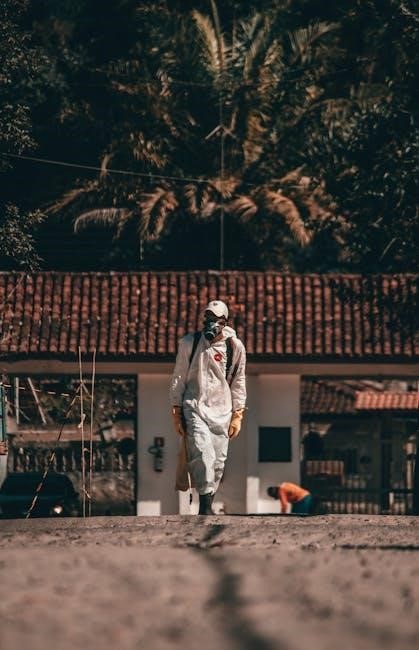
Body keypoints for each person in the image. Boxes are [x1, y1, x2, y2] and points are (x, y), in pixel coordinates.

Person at [170, 299, 247, 514]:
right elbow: (179, 376)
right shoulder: (190, 343)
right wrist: (176, 409)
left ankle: (207, 506)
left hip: (222, 411)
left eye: (216, 319)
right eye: (208, 318)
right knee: (203, 454)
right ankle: (204, 507)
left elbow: (239, 380)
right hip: (194, 407)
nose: (211, 323)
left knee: (218, 462)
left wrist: (238, 413)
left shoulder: (235, 347)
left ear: (225, 322)